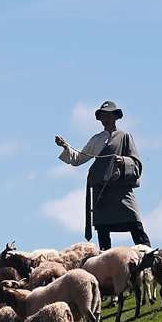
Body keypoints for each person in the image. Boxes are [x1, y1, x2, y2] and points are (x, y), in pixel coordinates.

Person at [54, 100, 148, 250]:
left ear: (115, 117)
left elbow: (136, 163)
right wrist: (66, 146)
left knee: (135, 224)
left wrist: (123, 161)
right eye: (103, 116)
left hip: (121, 191)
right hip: (101, 193)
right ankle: (106, 263)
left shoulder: (124, 136)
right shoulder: (97, 139)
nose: (105, 119)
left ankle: (149, 257)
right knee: (103, 231)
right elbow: (79, 158)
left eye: (109, 115)